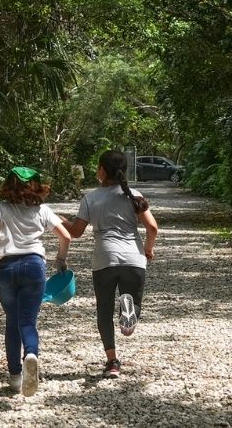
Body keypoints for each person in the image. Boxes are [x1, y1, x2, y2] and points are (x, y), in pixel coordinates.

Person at [63, 150, 159, 378]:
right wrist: (148, 249)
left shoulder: (90, 198)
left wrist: (60, 220)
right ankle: (129, 316)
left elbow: (76, 232)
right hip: (133, 259)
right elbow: (153, 228)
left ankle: (112, 362)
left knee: (104, 311)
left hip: (105, 258)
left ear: (102, 171)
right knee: (133, 303)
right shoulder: (134, 195)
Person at [0, 166, 71, 397]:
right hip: (34, 266)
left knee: (12, 320)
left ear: (8, 185)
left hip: (6, 268)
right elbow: (66, 236)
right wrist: (60, 259)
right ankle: (31, 354)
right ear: (36, 187)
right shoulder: (43, 210)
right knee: (27, 321)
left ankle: (15, 377)